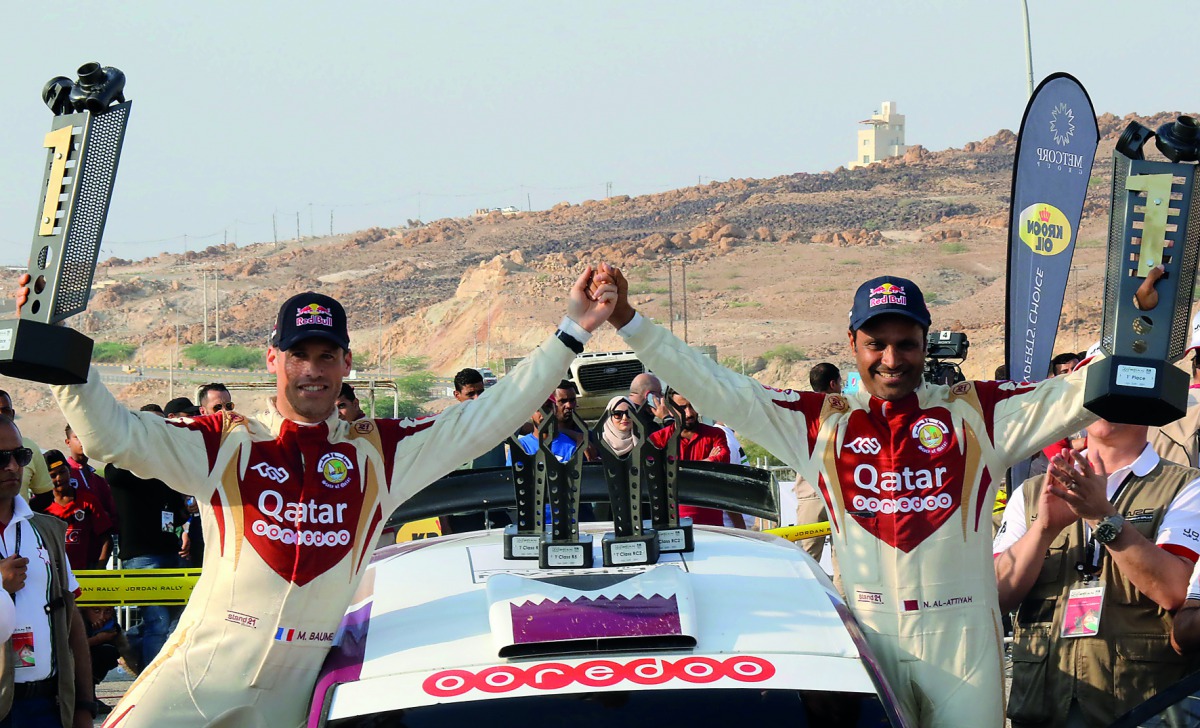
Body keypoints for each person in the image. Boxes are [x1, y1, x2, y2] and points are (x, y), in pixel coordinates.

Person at [23, 270, 616, 727]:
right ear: (273, 360)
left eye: (326, 355)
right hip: (203, 674)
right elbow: (110, 434)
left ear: (346, 363)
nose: (312, 370)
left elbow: (489, 416)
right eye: (299, 355)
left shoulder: (381, 451)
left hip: (301, 687)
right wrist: (61, 334)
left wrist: (571, 333)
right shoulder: (224, 442)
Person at [598, 265, 1103, 728]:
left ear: (925, 343)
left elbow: (1082, 391)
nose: (890, 359)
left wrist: (1144, 318)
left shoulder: (978, 411)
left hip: (963, 635)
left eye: (906, 343)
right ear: (852, 343)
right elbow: (717, 386)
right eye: (875, 343)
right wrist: (630, 322)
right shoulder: (819, 420)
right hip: (868, 634)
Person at [994, 419, 1200, 727]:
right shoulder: (1033, 491)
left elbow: (1177, 592)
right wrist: (1043, 530)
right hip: (1041, 703)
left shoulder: (1186, 485)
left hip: (1141, 707)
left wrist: (1103, 517)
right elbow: (995, 596)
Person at [0, 416, 95, 728]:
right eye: (1, 458)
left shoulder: (46, 530)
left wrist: (83, 705)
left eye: (20, 456)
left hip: (46, 707)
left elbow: (71, 621)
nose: (13, 466)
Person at [105, 405, 190, 673]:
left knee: (172, 617)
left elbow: (177, 508)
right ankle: (153, 681)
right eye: (150, 426)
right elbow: (113, 471)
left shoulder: (166, 466)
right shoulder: (124, 466)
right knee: (157, 621)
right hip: (142, 556)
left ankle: (127, 643)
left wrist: (183, 518)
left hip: (169, 552)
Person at [647, 390, 734, 527]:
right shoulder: (658, 439)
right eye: (682, 408)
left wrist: (676, 468)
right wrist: (705, 462)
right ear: (670, 410)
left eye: (692, 406)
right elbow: (654, 472)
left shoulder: (715, 434)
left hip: (711, 522)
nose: (689, 413)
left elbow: (723, 460)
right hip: (672, 521)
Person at [30, 450, 113, 571]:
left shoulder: (88, 501)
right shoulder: (37, 506)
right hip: (51, 574)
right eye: (52, 475)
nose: (59, 478)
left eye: (62, 472)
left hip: (83, 574)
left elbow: (107, 540)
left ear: (69, 470)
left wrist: (98, 570)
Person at [794, 362, 843, 561]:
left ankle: (807, 593)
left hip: (809, 491)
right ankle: (841, 594)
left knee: (807, 559)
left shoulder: (800, 410)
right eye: (840, 382)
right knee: (842, 558)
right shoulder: (845, 409)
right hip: (839, 492)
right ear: (833, 384)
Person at [63, 424, 118, 536]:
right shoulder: (61, 477)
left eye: (86, 437)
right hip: (70, 543)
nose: (83, 441)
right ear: (68, 442)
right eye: (77, 437)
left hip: (96, 546)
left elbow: (112, 515)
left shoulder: (99, 481)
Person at [0, 390, 52, 503]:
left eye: (20, 456)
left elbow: (45, 495)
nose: (13, 466)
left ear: (12, 414)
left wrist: (24, 513)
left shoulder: (30, 446)